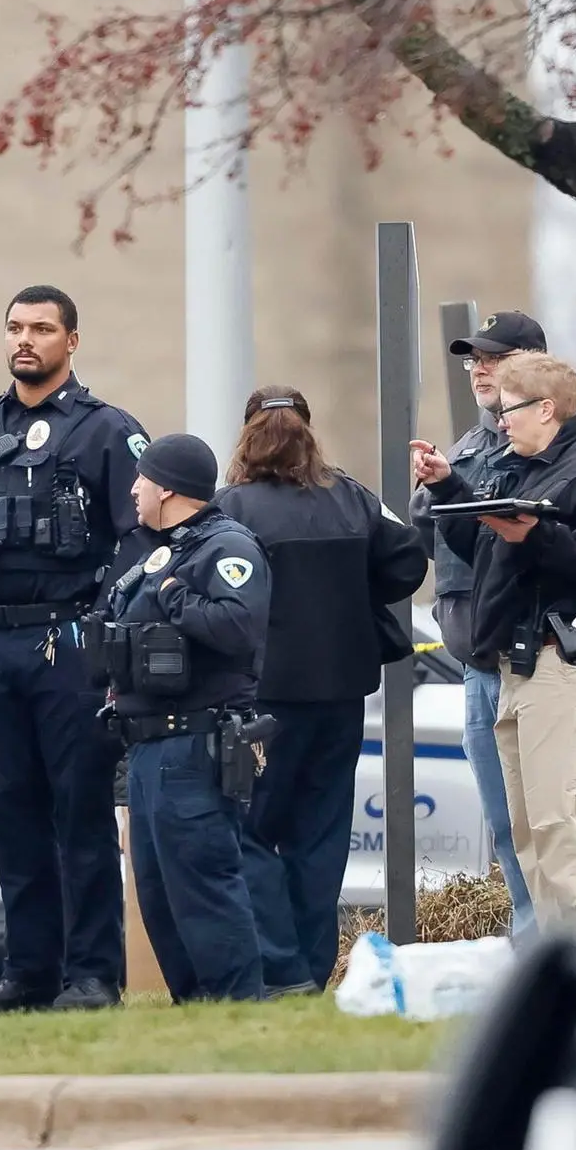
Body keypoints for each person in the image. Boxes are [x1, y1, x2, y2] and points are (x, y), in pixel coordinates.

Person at [0, 283, 150, 1015]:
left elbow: (142, 538)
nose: (24, 339)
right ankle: (27, 971)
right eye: (14, 327)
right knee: (10, 811)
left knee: (79, 813)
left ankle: (91, 974)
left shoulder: (105, 431)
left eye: (40, 328)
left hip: (67, 641)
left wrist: (104, 627)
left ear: (71, 341)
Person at [407, 311, 576, 938]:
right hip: (501, 657)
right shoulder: (504, 453)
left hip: (564, 652)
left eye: (496, 362)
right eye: (474, 360)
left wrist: (535, 535)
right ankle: (550, 957)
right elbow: (467, 540)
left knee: (564, 816)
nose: (483, 377)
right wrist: (450, 487)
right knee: (523, 822)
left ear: (544, 397)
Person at [216, 388, 428, 995]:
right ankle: (310, 968)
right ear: (309, 433)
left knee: (248, 830)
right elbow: (407, 561)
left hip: (260, 700)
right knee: (321, 835)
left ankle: (281, 968)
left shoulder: (230, 508)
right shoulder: (353, 499)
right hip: (340, 694)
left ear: (247, 435)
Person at [98, 434, 270, 1002]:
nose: (133, 489)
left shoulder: (226, 548)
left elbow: (237, 626)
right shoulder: (164, 547)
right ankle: (196, 1010)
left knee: (204, 889)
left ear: (167, 486)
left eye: (141, 479)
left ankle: (240, 1014)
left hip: (194, 745)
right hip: (148, 746)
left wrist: (173, 595)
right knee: (159, 893)